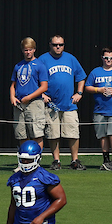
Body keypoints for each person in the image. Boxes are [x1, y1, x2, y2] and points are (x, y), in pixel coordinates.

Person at [38, 35, 87, 170]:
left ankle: (74, 160)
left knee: (73, 133)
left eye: (60, 44)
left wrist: (79, 93)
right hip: (51, 105)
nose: (58, 47)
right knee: (53, 134)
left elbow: (81, 77)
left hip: (69, 105)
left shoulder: (70, 58)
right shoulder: (43, 59)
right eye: (55, 44)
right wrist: (41, 94)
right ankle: (56, 160)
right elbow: (35, 79)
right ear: (50, 45)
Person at [85, 47, 112, 171]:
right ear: (102, 58)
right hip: (99, 109)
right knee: (103, 136)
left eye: (111, 58)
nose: (108, 60)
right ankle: (106, 159)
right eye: (106, 58)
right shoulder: (95, 72)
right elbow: (87, 87)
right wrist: (98, 89)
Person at [10, 37, 50, 152]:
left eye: (30, 50)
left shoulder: (39, 65)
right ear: (22, 50)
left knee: (36, 133)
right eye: (26, 50)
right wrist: (12, 96)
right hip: (19, 103)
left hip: (34, 103)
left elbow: (44, 86)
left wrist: (29, 97)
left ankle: (36, 161)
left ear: (34, 50)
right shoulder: (18, 66)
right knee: (21, 134)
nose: (28, 52)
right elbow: (13, 84)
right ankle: (24, 160)